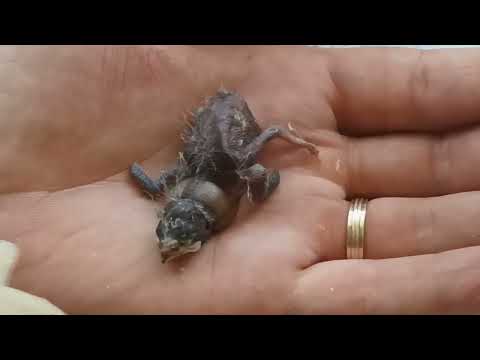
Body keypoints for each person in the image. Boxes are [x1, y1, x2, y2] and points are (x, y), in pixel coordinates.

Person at [1, 45, 480, 314]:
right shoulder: (189, 182)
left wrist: (295, 147)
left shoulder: (217, 172)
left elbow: (264, 139)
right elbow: (163, 175)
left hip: (218, 152)